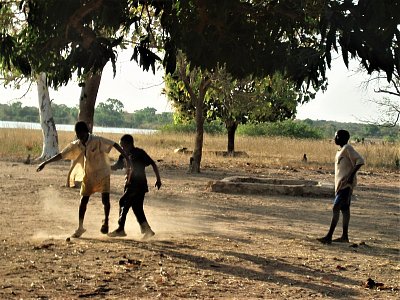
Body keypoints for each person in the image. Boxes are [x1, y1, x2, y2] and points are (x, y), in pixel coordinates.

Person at [37, 121, 132, 238]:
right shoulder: (77, 144)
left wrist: (127, 158)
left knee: (105, 200)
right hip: (89, 175)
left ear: (86, 132)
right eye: (78, 135)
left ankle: (106, 221)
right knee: (83, 200)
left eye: (82, 135)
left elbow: (114, 144)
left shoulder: (97, 140)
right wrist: (45, 163)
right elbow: (62, 154)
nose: (80, 138)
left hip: (103, 173)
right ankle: (80, 227)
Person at [108, 134, 161, 239]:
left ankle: (120, 228)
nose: (122, 148)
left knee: (123, 202)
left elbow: (153, 163)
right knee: (137, 208)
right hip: (129, 185)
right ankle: (148, 231)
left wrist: (158, 179)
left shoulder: (139, 153)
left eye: (123, 146)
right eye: (121, 146)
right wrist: (104, 167)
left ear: (130, 144)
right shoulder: (122, 156)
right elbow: (115, 167)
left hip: (138, 184)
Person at [317, 129, 364, 244]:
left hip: (346, 185)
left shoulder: (348, 148)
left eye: (336, 136)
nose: (335, 138)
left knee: (336, 208)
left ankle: (329, 236)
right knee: (345, 209)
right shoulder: (341, 150)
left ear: (342, 138)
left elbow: (360, 160)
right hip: (340, 185)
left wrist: (351, 176)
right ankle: (344, 237)